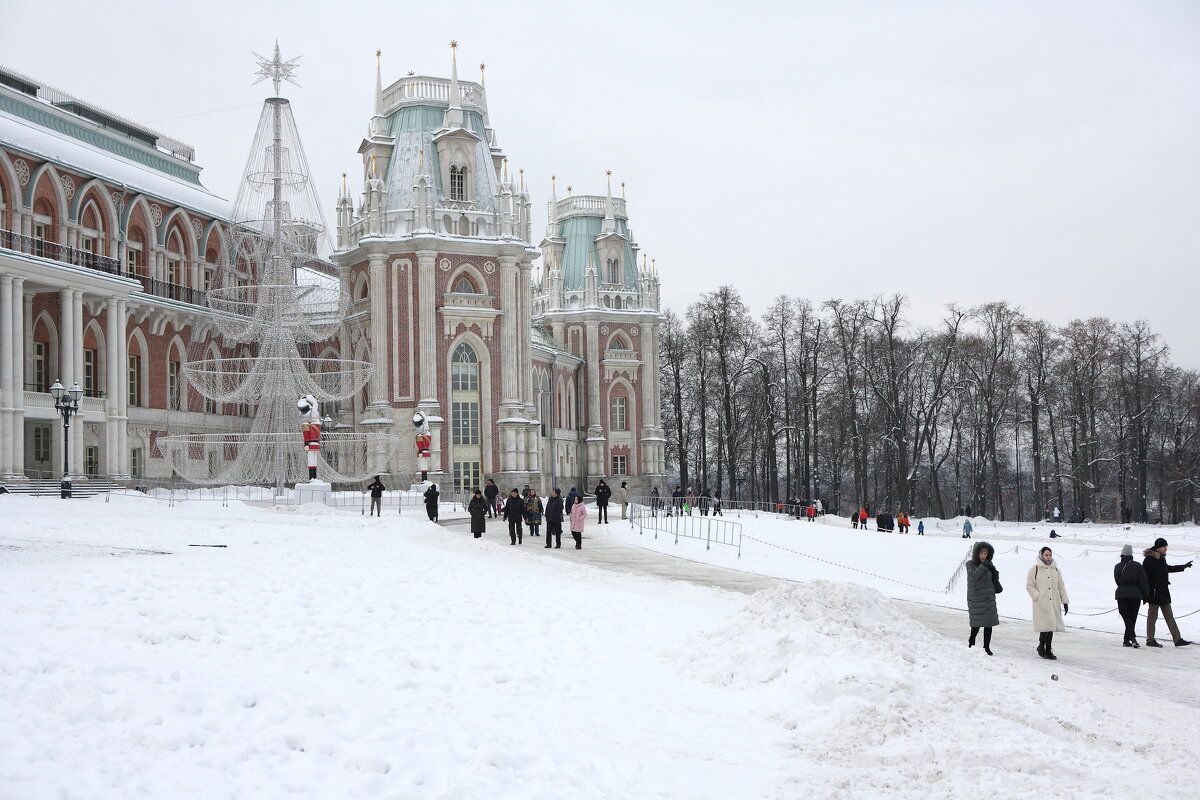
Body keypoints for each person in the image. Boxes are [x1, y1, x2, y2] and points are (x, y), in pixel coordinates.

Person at [1142, 537, 1193, 647]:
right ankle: (1150, 640)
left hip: (1163, 593)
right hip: (1154, 594)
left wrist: (1183, 566)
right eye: (1164, 547)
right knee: (1152, 617)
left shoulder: (1161, 558)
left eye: (1166, 547)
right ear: (1159, 547)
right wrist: (1147, 592)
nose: (1166, 549)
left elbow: (1167, 568)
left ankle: (1177, 639)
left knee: (1169, 616)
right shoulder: (1150, 559)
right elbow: (1144, 576)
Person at [1027, 546, 1070, 660]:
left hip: (1053, 602)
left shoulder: (1055, 570)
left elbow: (1061, 586)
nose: (1048, 557)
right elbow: (1030, 585)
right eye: (1046, 555)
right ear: (1041, 555)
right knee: (1044, 626)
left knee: (1051, 627)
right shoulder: (1035, 569)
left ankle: (1048, 649)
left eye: (1050, 555)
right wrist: (1037, 596)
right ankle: (1041, 646)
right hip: (1041, 603)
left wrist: (1064, 601)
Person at [966, 541, 1000, 656]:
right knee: (976, 624)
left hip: (988, 597)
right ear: (976, 554)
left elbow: (991, 578)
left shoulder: (989, 564)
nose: (983, 556)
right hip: (976, 598)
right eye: (981, 553)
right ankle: (972, 642)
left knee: (988, 623)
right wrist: (983, 565)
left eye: (985, 553)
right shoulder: (969, 564)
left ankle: (987, 646)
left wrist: (995, 572)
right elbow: (973, 577)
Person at [1114, 543, 1149, 647]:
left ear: (1122, 554)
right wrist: (1146, 595)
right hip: (1135, 595)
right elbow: (1143, 581)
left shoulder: (1118, 566)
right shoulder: (1138, 566)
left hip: (1121, 594)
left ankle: (1127, 639)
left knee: (1127, 617)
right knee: (1132, 617)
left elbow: (1117, 580)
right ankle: (1131, 638)